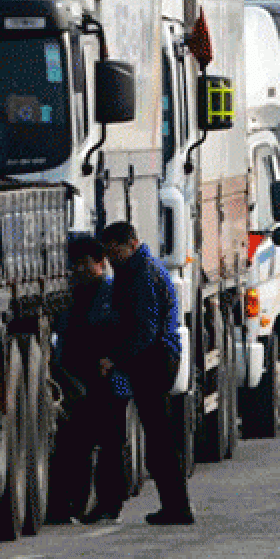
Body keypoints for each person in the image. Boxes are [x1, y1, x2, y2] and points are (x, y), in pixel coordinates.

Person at [100, 221, 195, 525]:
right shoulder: (140, 269)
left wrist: (115, 357)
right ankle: (173, 505)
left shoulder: (142, 274)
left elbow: (145, 329)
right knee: (158, 437)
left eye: (113, 250)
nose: (110, 258)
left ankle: (177, 507)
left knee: (159, 439)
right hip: (154, 358)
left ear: (128, 243)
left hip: (154, 360)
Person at [49, 236, 131, 524]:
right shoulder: (70, 297)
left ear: (100, 263)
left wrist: (113, 360)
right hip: (76, 381)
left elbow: (128, 333)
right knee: (75, 444)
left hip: (109, 381)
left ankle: (110, 504)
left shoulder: (113, 293)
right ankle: (71, 503)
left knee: (110, 445)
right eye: (75, 264)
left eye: (85, 263)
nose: (79, 269)